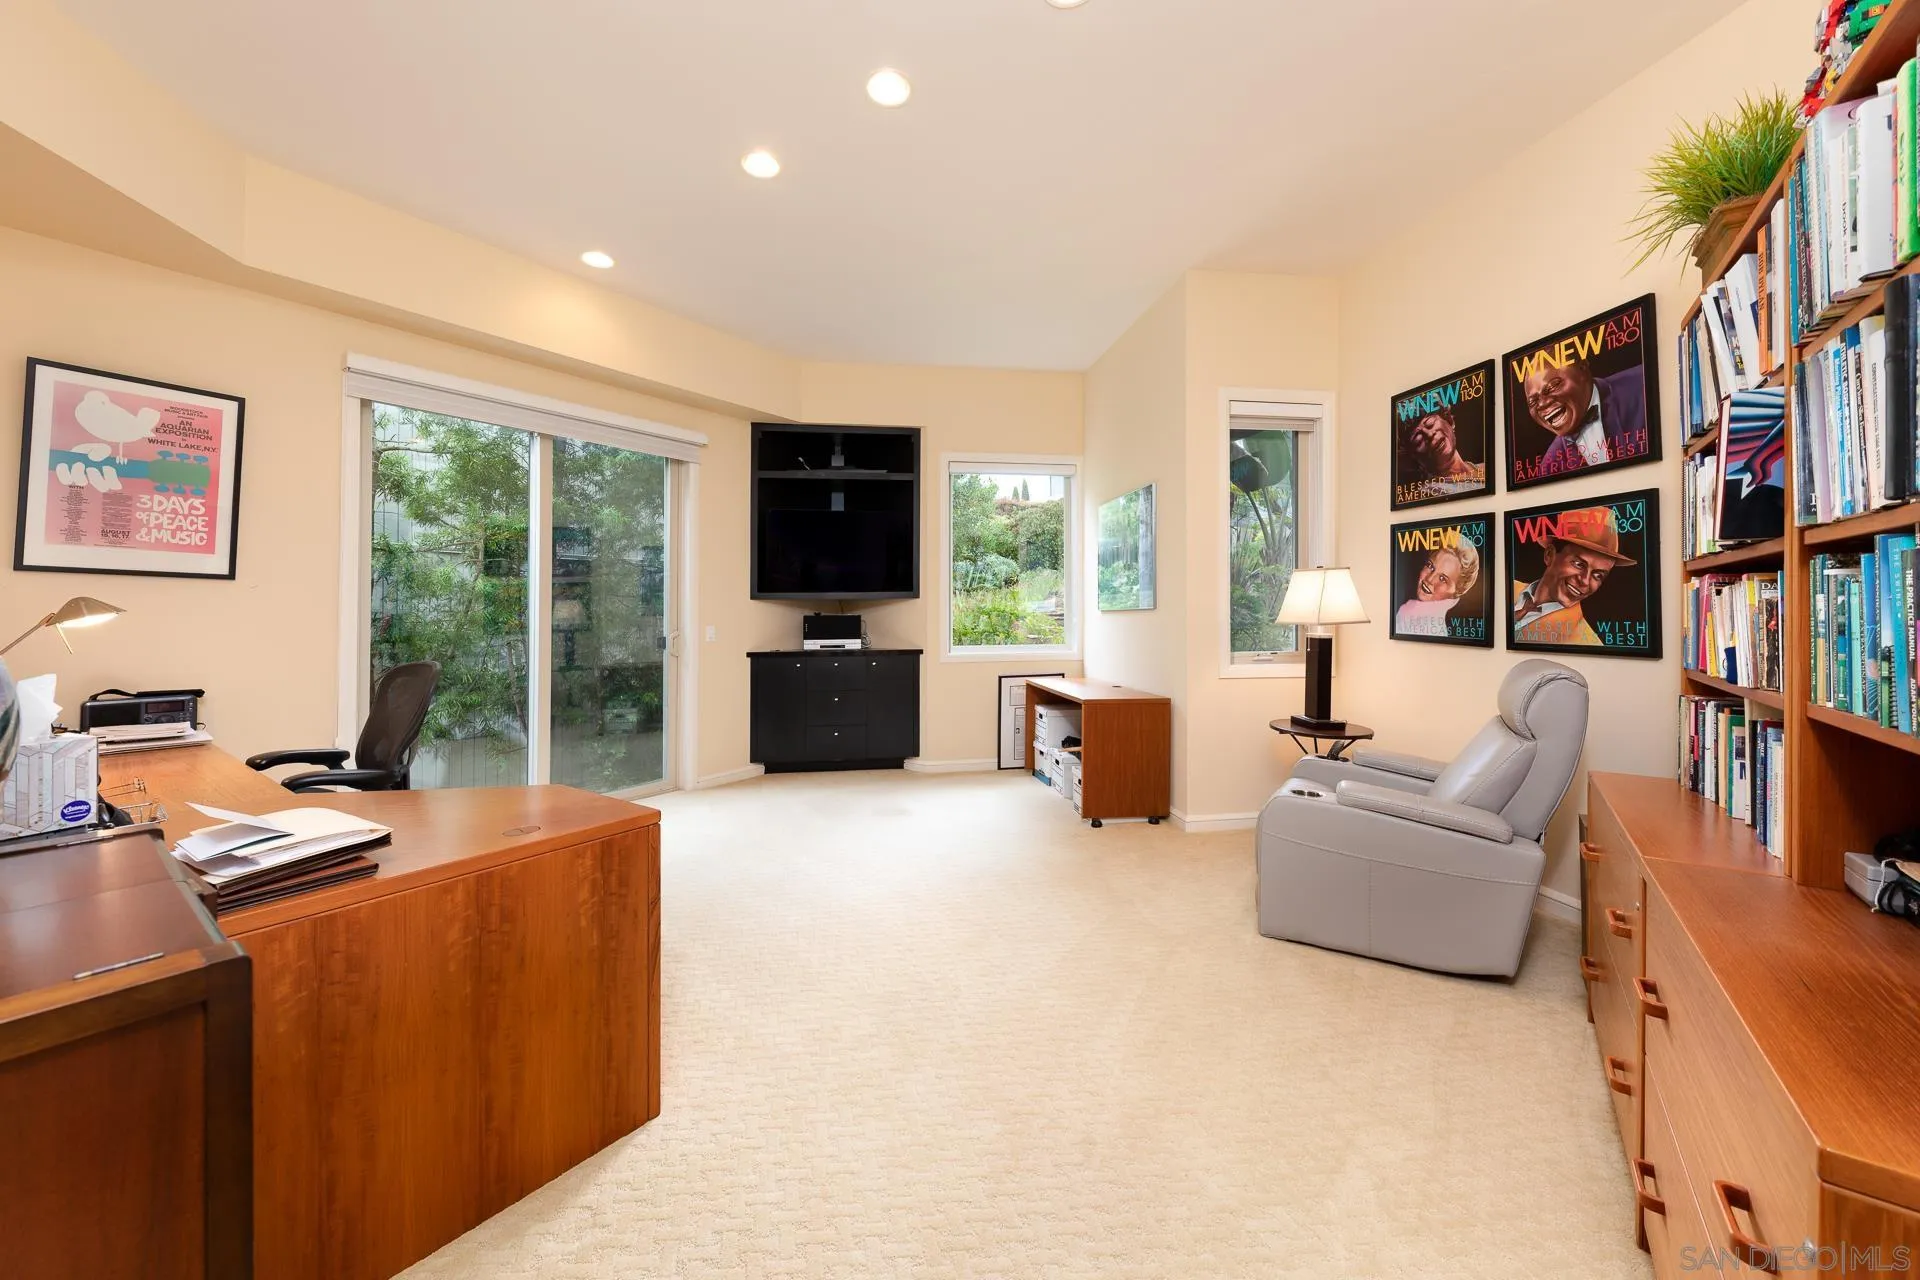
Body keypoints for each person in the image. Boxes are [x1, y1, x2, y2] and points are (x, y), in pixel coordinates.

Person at [1512, 506, 1636, 647]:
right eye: (1579, 564)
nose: (1585, 581)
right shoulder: (1507, 589)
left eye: (1598, 575)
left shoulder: (1586, 642)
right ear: (1549, 555)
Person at [1520, 357, 1648, 477]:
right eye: (1533, 401)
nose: (1542, 404)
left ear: (1582, 368)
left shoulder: (1643, 382)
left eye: (1553, 386)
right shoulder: (1549, 466)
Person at [1394, 538, 1481, 638]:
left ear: (1456, 592)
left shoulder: (1431, 629)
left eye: (1442, 578)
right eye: (1430, 566)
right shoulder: (1409, 610)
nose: (1430, 579)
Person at [1395, 408, 1485, 503]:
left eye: (1430, 423)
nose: (1430, 435)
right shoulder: (1430, 492)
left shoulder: (1486, 468)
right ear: (1413, 456)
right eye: (1418, 439)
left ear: (1449, 421)